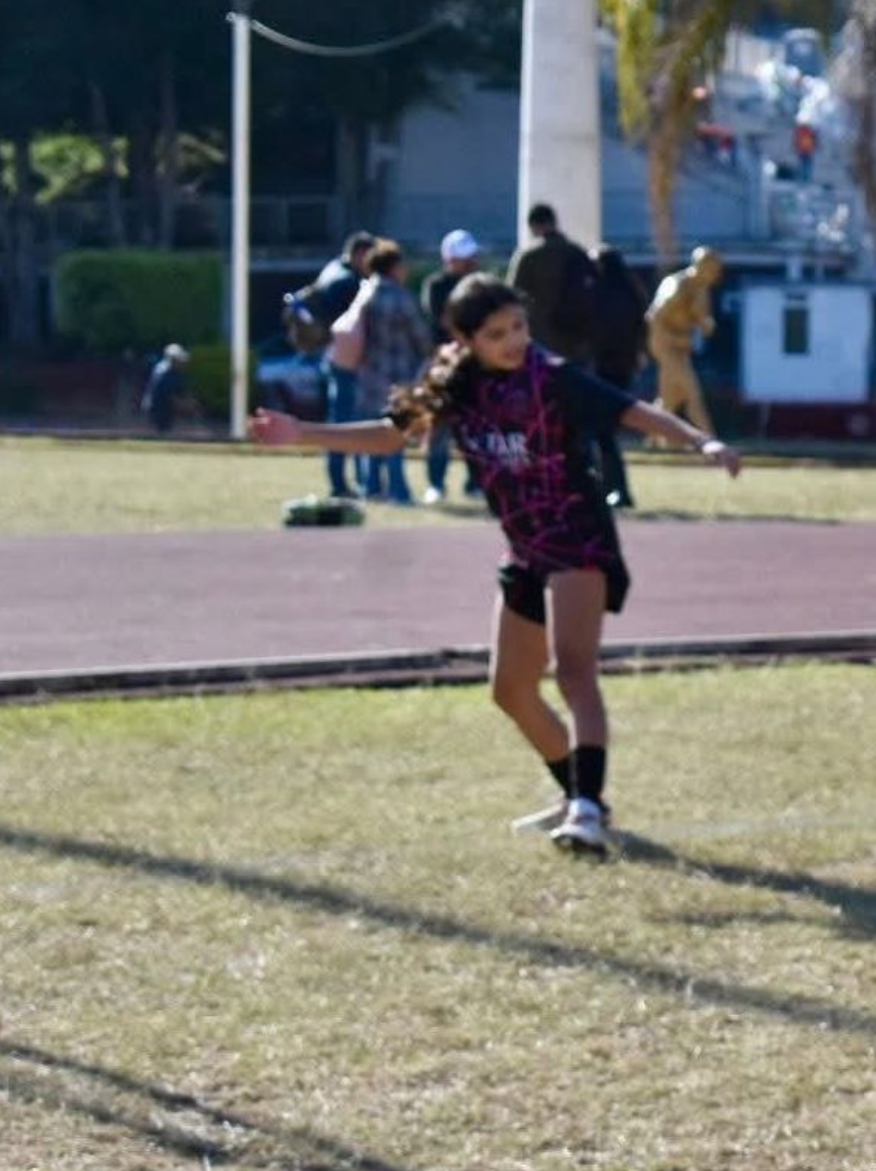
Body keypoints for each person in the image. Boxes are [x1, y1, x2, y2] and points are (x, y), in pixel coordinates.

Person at [246, 275, 742, 855]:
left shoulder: (551, 379)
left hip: (577, 541)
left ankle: (586, 809)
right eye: (497, 334)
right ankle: (578, 797)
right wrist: (301, 432)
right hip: (526, 550)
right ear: (466, 339)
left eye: (519, 328)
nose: (514, 342)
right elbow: (389, 437)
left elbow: (632, 412)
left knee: (574, 670)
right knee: (510, 689)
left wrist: (701, 441)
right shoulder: (455, 385)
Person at [289, 232, 378, 498]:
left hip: (332, 357)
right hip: (347, 361)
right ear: (360, 254)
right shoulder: (348, 282)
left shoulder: (332, 270)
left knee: (342, 422)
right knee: (349, 425)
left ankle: (347, 482)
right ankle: (344, 484)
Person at [351, 243, 433, 503]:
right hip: (397, 375)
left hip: (368, 374)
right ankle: (399, 491)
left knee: (372, 434)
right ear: (393, 267)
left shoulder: (364, 293)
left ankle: (371, 487)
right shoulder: (400, 297)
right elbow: (420, 337)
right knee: (395, 434)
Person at [421, 229, 485, 504]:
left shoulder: (481, 285)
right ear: (450, 259)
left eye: (472, 257)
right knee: (439, 427)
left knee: (476, 427)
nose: (471, 262)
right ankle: (436, 484)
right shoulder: (437, 285)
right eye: (465, 258)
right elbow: (445, 322)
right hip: (445, 363)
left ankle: (476, 483)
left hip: (477, 363)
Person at [585, 246, 648, 509]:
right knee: (605, 433)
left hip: (601, 371)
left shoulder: (599, 296)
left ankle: (613, 488)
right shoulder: (632, 295)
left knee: (601, 434)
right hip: (623, 370)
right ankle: (611, 487)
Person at [507, 203, 597, 367]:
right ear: (554, 222)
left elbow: (511, 297)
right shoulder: (577, 252)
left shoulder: (527, 256)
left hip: (540, 338)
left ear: (533, 226)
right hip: (575, 338)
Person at [647, 247, 723, 437]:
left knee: (671, 396)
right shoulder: (677, 285)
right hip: (665, 344)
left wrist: (706, 324)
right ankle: (709, 439)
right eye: (713, 269)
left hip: (680, 345)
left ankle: (654, 438)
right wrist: (672, 339)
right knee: (691, 392)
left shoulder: (701, 290)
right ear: (702, 267)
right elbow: (654, 317)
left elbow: (701, 319)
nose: (716, 275)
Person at [140, 343, 191, 436]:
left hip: (158, 407)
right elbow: (171, 397)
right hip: (158, 409)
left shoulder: (168, 370)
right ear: (173, 360)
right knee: (162, 434)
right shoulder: (167, 373)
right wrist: (186, 407)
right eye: (179, 360)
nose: (183, 363)